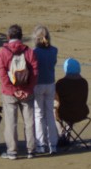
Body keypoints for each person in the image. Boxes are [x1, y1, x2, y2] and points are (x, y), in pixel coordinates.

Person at [0, 24, 38, 159]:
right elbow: (35, 72)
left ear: (8, 37)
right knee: (29, 122)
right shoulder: (29, 51)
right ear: (21, 36)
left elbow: (2, 75)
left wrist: (13, 90)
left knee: (10, 122)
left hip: (9, 93)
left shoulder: (2, 52)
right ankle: (31, 149)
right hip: (26, 92)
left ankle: (12, 151)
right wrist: (28, 89)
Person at [32, 25, 58, 154]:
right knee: (49, 114)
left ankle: (41, 144)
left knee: (39, 115)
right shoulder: (54, 50)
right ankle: (53, 144)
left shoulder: (34, 52)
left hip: (38, 84)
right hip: (50, 84)